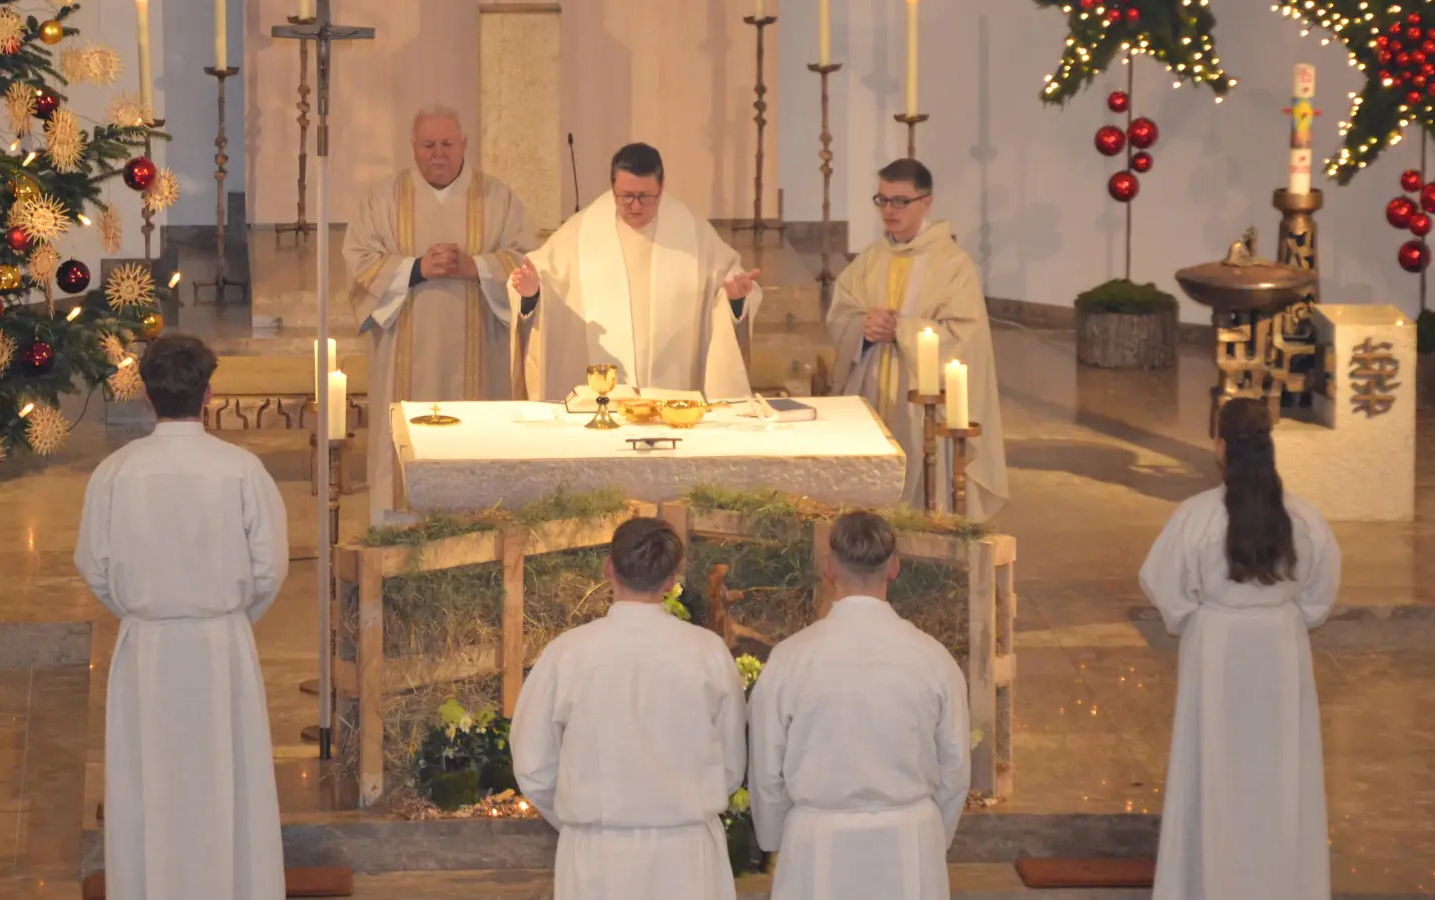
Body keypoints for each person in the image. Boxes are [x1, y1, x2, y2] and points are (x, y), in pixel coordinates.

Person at [74, 335, 288, 900]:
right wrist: (229, 617)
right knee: (228, 785)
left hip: (145, 647)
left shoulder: (115, 473)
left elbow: (94, 564)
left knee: (150, 787)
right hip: (222, 646)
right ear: (209, 393)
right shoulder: (241, 470)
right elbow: (270, 568)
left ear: (147, 396)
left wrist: (142, 612)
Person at [1139, 398, 1340, 900]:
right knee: (1280, 779)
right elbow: (1319, 599)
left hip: (1217, 648)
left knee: (1214, 777)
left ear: (1220, 447)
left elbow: (1164, 586)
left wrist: (1200, 613)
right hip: (1281, 650)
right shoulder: (1306, 517)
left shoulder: (1197, 517)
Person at [510, 517, 748, 900]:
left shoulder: (567, 654)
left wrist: (582, 818)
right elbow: (732, 763)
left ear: (608, 567)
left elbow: (533, 766)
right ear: (672, 579)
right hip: (686, 854)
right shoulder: (707, 653)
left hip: (598, 856)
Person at [748, 510, 971, 900]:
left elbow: (767, 771)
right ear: (894, 568)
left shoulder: (791, 658)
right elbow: (955, 769)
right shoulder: (933, 658)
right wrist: (934, 834)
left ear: (829, 568)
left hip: (818, 839)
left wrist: (775, 838)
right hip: (908, 839)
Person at [342, 106, 538, 518]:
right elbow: (359, 262)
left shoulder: (497, 198)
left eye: (447, 144)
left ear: (464, 144)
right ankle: (399, 549)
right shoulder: (383, 198)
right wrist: (416, 268)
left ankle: (477, 545)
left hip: (481, 355)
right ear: (413, 148)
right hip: (403, 358)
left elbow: (527, 262)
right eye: (428, 145)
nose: (438, 153)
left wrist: (477, 267)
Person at [507, 142, 762, 401]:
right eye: (626, 196)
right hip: (604, 397)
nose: (636, 206)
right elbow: (543, 279)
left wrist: (736, 300)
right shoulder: (581, 230)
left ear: (661, 189)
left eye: (645, 197)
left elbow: (730, 284)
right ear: (613, 188)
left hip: (674, 394)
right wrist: (531, 294)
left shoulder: (694, 232)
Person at [826, 159, 1008, 521]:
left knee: (925, 505)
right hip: (872, 395)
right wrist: (863, 328)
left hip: (923, 409)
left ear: (926, 202)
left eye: (900, 201)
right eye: (882, 200)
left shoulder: (953, 265)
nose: (889, 211)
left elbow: (964, 335)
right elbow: (840, 315)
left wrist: (902, 331)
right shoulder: (870, 260)